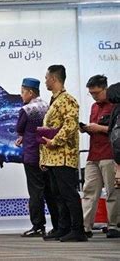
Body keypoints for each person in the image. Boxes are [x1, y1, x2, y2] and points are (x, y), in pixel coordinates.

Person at [40, 65, 87, 242]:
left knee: (69, 194)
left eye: (46, 78)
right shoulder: (54, 101)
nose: (45, 81)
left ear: (53, 78)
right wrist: (44, 155)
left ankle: (78, 230)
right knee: (57, 194)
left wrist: (55, 141)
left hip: (64, 155)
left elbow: (70, 125)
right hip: (52, 157)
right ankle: (63, 227)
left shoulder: (68, 100)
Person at [15, 78, 59, 237]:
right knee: (50, 191)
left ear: (30, 92)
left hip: (32, 155)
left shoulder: (26, 109)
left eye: (22, 92)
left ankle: (38, 225)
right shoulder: (48, 106)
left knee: (35, 192)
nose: (21, 96)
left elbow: (19, 128)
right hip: (47, 154)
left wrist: (23, 136)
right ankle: (58, 225)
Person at [80, 75, 119, 238]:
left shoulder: (115, 106)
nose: (95, 96)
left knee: (112, 192)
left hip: (109, 154)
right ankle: (84, 226)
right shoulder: (94, 107)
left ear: (105, 89)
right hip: (93, 154)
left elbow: (115, 130)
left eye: (96, 92)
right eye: (91, 93)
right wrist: (87, 128)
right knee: (89, 191)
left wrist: (99, 128)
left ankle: (113, 225)